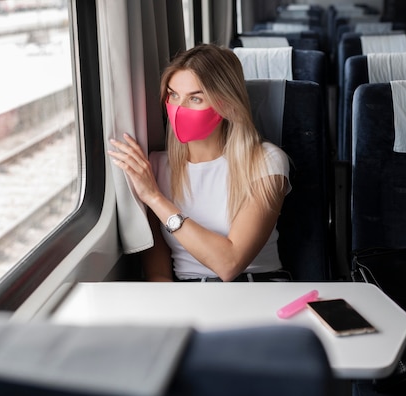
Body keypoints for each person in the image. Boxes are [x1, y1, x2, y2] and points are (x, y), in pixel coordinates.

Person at [108, 43, 291, 282]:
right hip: (189, 293)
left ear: (225, 103)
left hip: (256, 285)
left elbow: (230, 263)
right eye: (173, 95)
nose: (178, 108)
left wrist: (154, 198)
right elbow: (159, 274)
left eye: (195, 98)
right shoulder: (156, 166)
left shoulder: (265, 161)